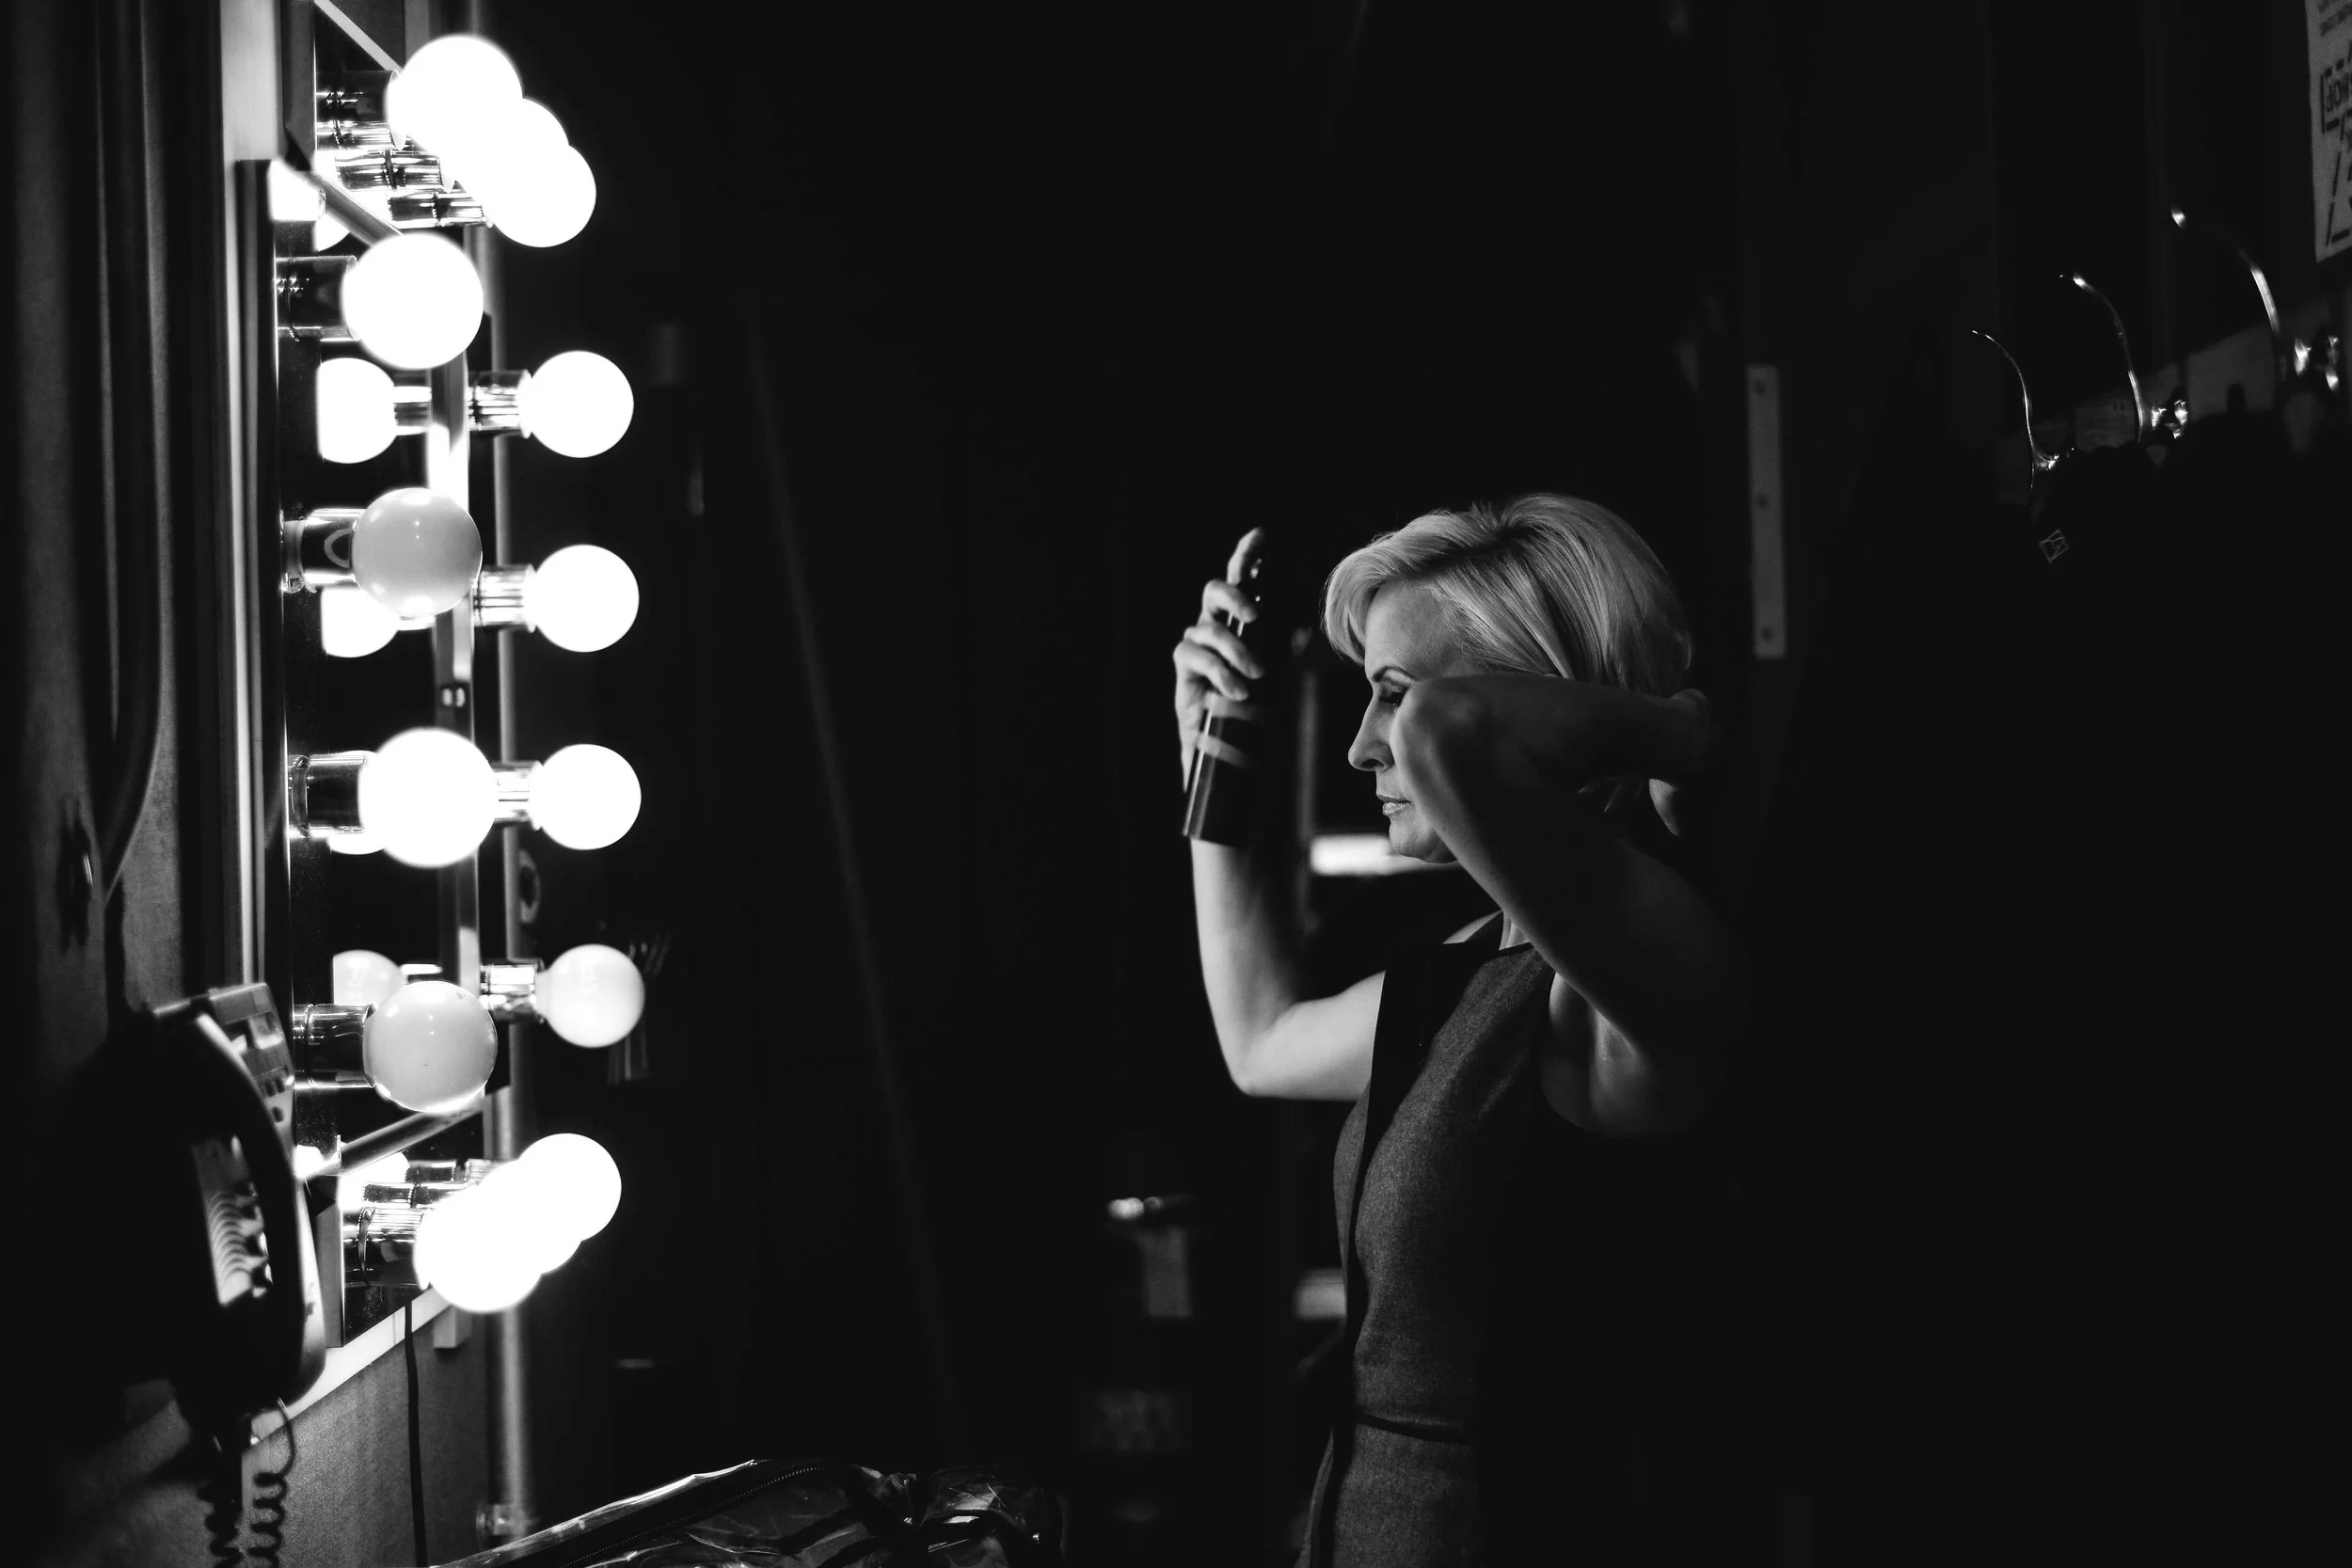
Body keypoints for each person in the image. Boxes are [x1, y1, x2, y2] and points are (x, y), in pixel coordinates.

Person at [1173, 495, 1750, 1566]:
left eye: (1390, 694)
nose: (1360, 747)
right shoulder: (1469, 974)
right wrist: (1214, 759)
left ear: (1527, 700)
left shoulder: (1637, 974)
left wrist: (1680, 729)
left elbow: (1453, 734)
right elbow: (1259, 1039)